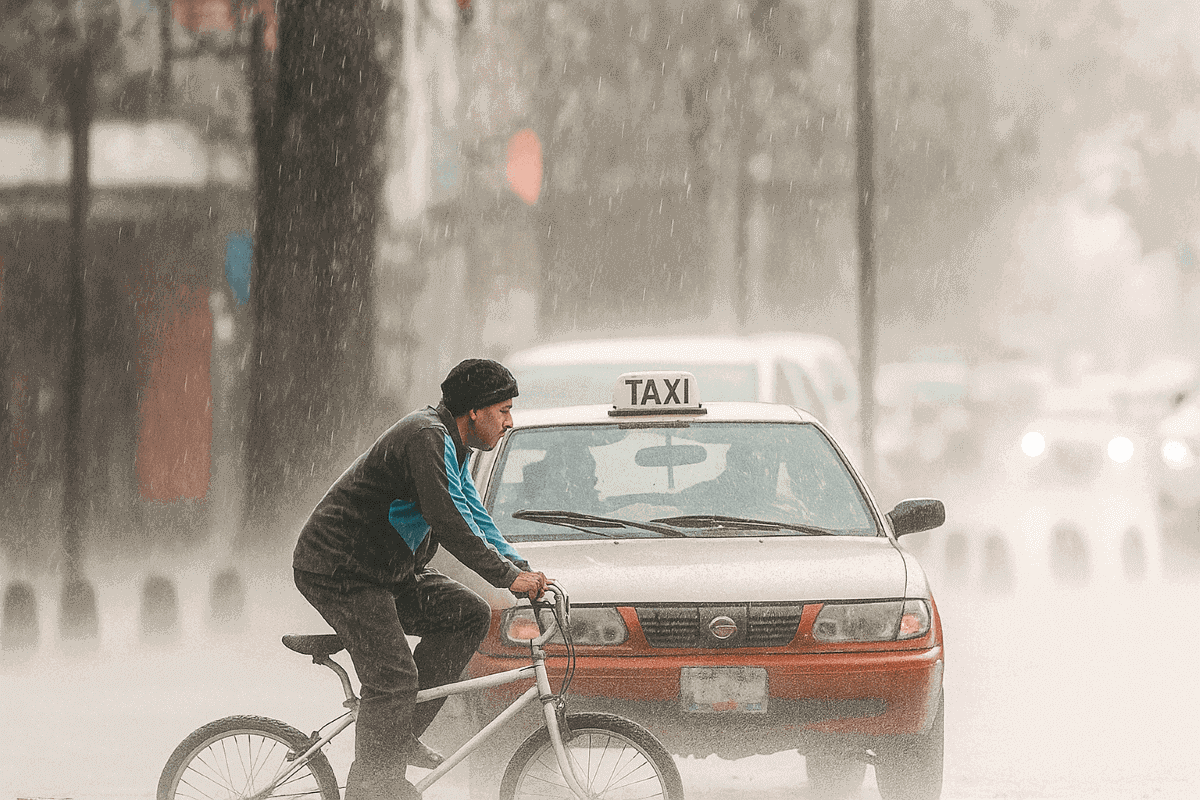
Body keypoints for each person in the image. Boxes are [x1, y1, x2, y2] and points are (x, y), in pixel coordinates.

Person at [292, 358, 550, 800]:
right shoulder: (425, 437)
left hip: (388, 570)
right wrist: (507, 577)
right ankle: (373, 789)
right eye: (504, 410)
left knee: (468, 615)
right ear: (474, 411)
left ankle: (396, 737)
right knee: (392, 677)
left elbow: (473, 513)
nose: (509, 422)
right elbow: (447, 519)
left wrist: (519, 567)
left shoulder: (455, 444)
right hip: (340, 568)